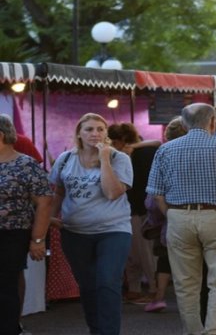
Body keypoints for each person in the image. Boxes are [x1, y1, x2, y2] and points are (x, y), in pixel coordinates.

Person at [146, 103, 216, 334]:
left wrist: (175, 215)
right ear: (213, 122)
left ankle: (193, 331)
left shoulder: (165, 150)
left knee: (186, 284)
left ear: (184, 124)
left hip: (179, 216)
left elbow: (156, 194)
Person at [49, 113, 133, 335]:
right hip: (75, 232)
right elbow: (58, 192)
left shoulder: (119, 159)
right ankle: (96, 330)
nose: (95, 133)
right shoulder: (65, 159)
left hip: (113, 230)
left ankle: (109, 332)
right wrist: (47, 219)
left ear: (106, 134)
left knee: (107, 281)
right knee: (87, 286)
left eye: (100, 129)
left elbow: (112, 192)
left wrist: (104, 159)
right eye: (89, 129)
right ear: (79, 133)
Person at [0, 114, 52, 335]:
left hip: (12, 234)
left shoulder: (25, 164)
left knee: (5, 285)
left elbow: (44, 202)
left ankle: (10, 329)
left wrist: (38, 239)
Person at [107, 123, 159, 304]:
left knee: (138, 252)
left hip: (134, 208)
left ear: (120, 140)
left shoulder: (125, 156)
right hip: (144, 207)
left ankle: (148, 289)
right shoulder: (147, 150)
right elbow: (157, 142)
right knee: (142, 251)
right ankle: (142, 288)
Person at [144, 116, 188, 313]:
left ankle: (159, 296)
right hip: (196, 215)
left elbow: (155, 196)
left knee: (165, 258)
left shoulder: (163, 153)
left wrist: (162, 216)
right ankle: (189, 301)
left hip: (169, 217)